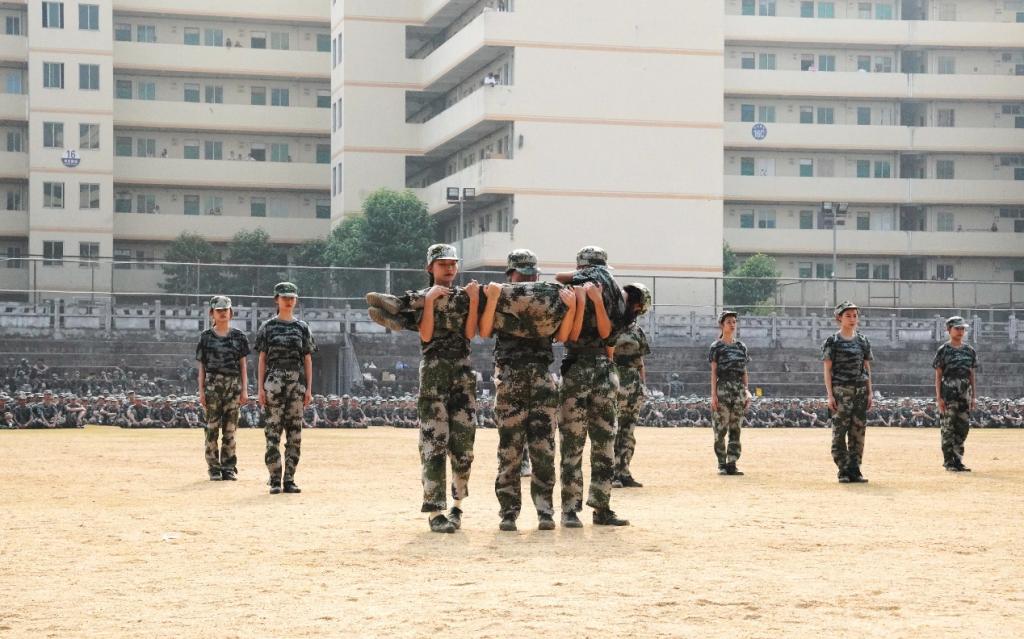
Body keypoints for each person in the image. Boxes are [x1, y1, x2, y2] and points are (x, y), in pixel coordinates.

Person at [479, 249, 577, 532]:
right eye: (522, 274)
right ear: (510, 274)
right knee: (509, 451)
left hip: (541, 378)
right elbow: (484, 331)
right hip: (511, 377)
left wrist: (570, 308)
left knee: (543, 450)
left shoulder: (548, 299)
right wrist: (493, 298)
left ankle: (545, 512)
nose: (528, 279)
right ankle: (508, 514)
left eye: (531, 274)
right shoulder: (500, 298)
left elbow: (562, 336)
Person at [558, 246, 629, 527]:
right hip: (598, 366)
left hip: (579, 365)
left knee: (579, 442)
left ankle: (576, 509)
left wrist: (585, 287)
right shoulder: (614, 290)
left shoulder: (573, 287)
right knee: (598, 442)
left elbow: (559, 277)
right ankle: (593, 508)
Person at [416, 244, 480, 533]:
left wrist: (474, 300)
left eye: (453, 263)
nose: (450, 268)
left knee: (464, 447)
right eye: (443, 264)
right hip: (434, 371)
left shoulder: (464, 297)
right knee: (434, 443)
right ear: (430, 267)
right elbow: (426, 335)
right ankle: (435, 512)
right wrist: (430, 301)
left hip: (462, 372)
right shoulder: (421, 297)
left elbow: (469, 334)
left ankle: (457, 507)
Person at [256, 282, 316, 495]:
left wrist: (308, 389)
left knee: (294, 435)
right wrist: (260, 388)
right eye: (284, 297)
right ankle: (274, 479)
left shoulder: (302, 327)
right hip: (273, 384)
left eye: (292, 298)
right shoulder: (268, 327)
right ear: (277, 300)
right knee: (272, 433)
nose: (289, 301)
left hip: (296, 385)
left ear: (296, 300)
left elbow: (307, 359)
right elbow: (262, 359)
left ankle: (289, 479)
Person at [196, 295, 250, 481]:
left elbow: (243, 365)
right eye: (218, 311)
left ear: (231, 313)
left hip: (233, 386)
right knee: (211, 428)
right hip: (212, 386)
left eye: (225, 310)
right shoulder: (205, 337)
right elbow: (202, 367)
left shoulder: (239, 337)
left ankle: (228, 467)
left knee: (230, 429)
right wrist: (201, 391)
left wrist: (244, 389)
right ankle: (214, 468)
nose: (222, 313)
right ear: (212, 313)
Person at [822, 300, 873, 483]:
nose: (852, 319)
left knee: (858, 433)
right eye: (848, 316)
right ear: (839, 318)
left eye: (855, 316)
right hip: (841, 392)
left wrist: (870, 392)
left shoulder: (862, 340)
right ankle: (843, 470)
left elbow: (866, 367)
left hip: (860, 391)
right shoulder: (833, 341)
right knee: (839, 432)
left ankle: (855, 470)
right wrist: (830, 395)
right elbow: (827, 370)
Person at [611, 283, 653, 488]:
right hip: (615, 383)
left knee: (628, 432)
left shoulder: (638, 332)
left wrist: (643, 386)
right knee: (613, 430)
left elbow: (640, 361)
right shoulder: (610, 326)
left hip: (633, 386)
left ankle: (624, 472)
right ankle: (611, 474)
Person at [708, 311, 752, 476]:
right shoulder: (716, 347)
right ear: (722, 325)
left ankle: (732, 463)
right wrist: (713, 395)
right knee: (720, 428)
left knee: (736, 427)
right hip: (723, 388)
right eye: (729, 322)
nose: (732, 325)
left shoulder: (741, 347)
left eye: (734, 322)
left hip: (738, 389)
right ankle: (721, 463)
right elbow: (714, 372)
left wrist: (746, 391)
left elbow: (744, 371)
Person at [933, 316, 978, 472]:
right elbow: (938, 375)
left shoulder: (969, 350)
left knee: (962, 428)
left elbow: (971, 375)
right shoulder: (943, 350)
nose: (960, 331)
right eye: (957, 328)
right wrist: (939, 398)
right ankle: (949, 462)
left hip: (965, 394)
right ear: (949, 330)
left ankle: (958, 460)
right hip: (948, 394)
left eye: (962, 328)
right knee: (948, 429)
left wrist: (973, 397)